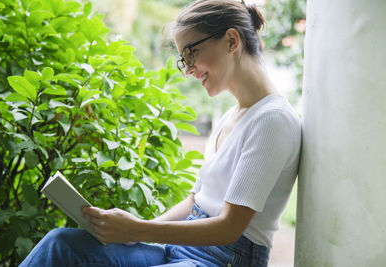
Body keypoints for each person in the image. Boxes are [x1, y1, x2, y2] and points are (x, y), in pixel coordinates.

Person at [20, 0, 301, 266]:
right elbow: (195, 200)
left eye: (191, 53)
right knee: (61, 244)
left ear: (231, 41)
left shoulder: (272, 120)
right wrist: (134, 231)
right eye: (183, 60)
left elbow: (229, 228)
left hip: (224, 259)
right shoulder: (232, 116)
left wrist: (139, 228)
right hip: (183, 249)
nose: (188, 70)